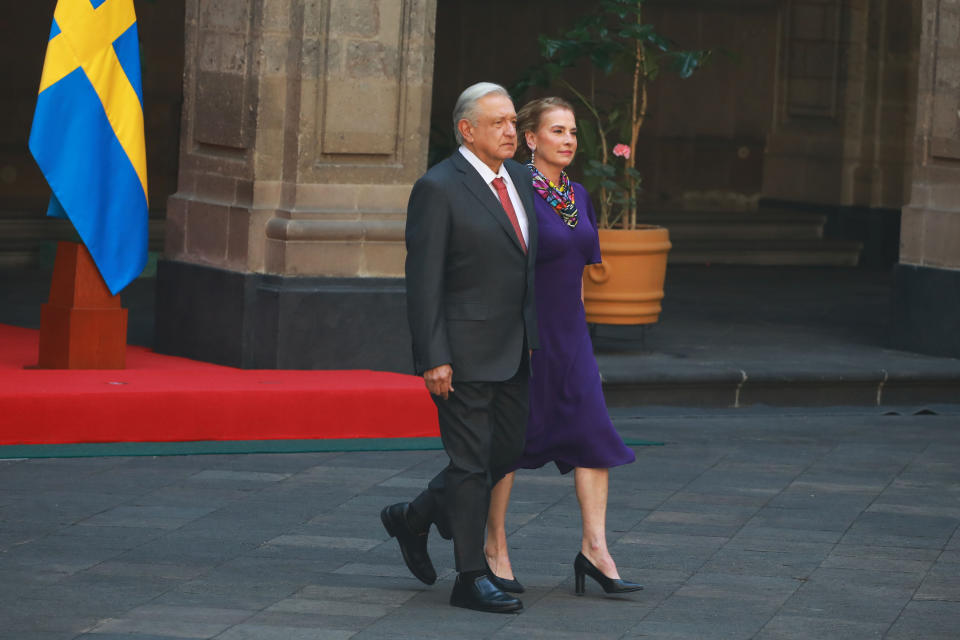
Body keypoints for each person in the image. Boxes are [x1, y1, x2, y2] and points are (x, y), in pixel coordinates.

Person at [380, 82, 539, 613]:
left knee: (507, 451)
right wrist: (433, 356)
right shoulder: (438, 187)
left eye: (514, 121)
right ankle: (470, 576)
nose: (512, 131)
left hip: (516, 348)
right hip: (463, 351)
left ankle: (416, 515)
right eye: (499, 123)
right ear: (467, 130)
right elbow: (423, 280)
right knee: (470, 464)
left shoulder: (520, 178)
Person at [483, 97, 643, 597]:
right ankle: (494, 547)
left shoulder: (577, 193)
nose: (569, 139)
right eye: (557, 131)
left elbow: (576, 275)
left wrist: (581, 343)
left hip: (570, 335)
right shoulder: (514, 189)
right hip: (525, 336)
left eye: (572, 131)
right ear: (530, 139)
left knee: (592, 433)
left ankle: (595, 550)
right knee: (508, 445)